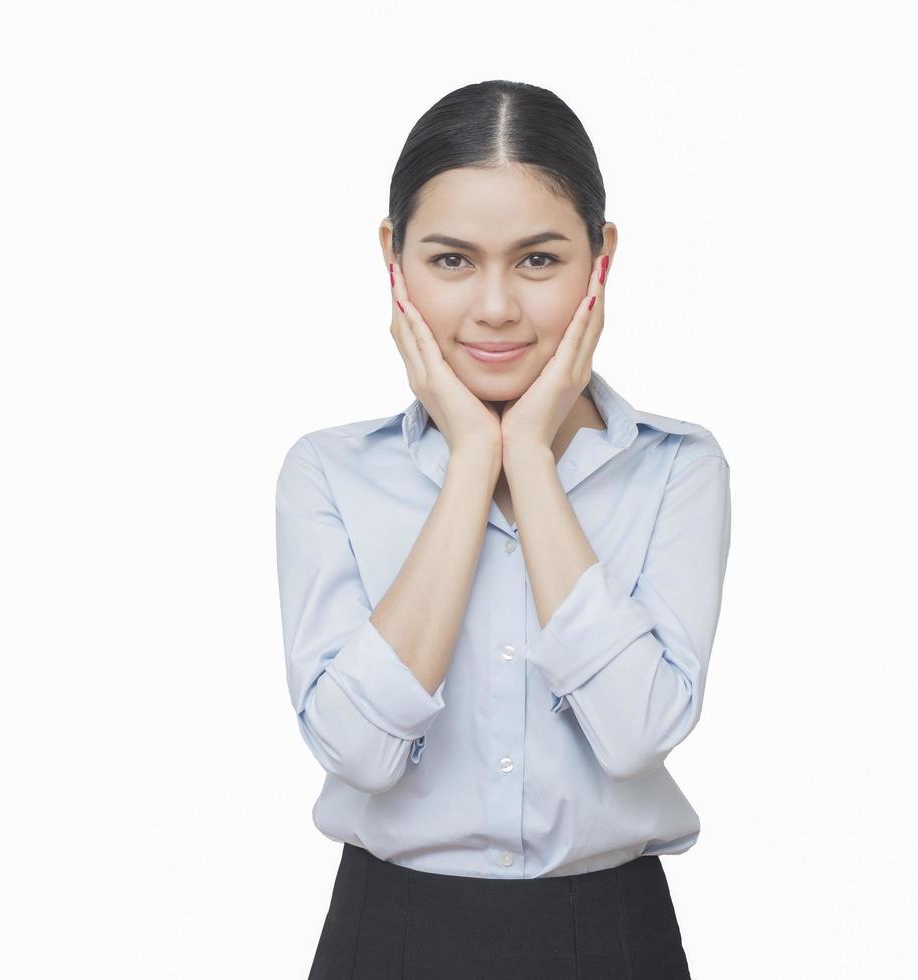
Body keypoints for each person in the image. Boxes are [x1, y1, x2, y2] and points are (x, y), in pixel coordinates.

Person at [274, 80, 730, 979]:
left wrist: (528, 450)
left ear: (600, 259)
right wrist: (471, 463)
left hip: (612, 940)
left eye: (536, 260)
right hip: (388, 937)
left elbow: (636, 733)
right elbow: (358, 752)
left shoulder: (677, 469)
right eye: (449, 261)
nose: (493, 308)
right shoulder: (328, 473)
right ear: (392, 257)